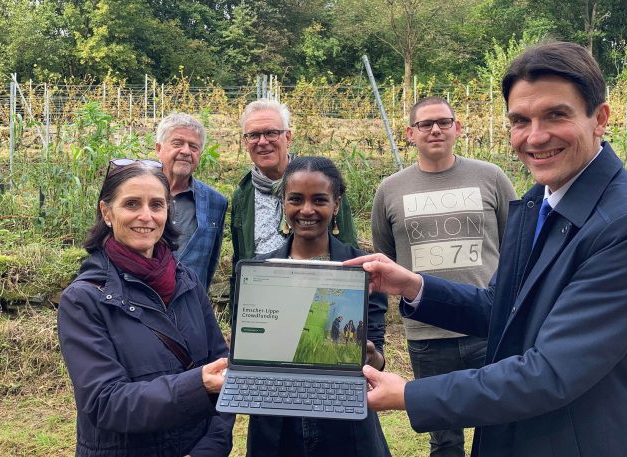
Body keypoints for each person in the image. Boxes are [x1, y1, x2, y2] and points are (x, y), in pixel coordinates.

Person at [346, 41, 627, 457]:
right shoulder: (540, 202)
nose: (535, 136)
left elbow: (551, 372)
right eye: (520, 120)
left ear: (600, 119)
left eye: (556, 115)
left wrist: (411, 395)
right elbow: (506, 309)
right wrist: (415, 286)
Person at [58, 158, 234, 457]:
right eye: (131, 204)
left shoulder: (187, 281)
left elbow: (224, 371)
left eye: (156, 205)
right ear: (107, 212)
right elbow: (106, 402)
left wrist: (210, 448)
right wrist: (198, 384)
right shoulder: (84, 300)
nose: (146, 216)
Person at [371, 96, 517, 456]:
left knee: (497, 425)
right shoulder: (390, 189)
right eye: (425, 124)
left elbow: (515, 243)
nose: (435, 129)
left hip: (486, 325)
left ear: (458, 128)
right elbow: (387, 256)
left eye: (443, 122)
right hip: (427, 333)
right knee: (443, 434)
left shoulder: (491, 177)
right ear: (410, 133)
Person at [246, 156, 391, 457]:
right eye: (296, 199)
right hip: (276, 417)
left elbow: (378, 362)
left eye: (319, 200)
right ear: (283, 202)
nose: (307, 210)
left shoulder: (364, 271)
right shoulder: (260, 270)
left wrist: (371, 354)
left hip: (343, 417)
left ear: (336, 204)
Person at [230, 99, 358, 304]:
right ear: (246, 142)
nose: (262, 142)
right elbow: (240, 259)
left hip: (320, 294)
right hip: (264, 298)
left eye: (271, 132)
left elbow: (348, 246)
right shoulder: (243, 195)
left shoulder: (321, 182)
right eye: (253, 135)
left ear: (287, 137)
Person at [155, 113, 228, 290]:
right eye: (178, 143)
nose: (186, 151)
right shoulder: (134, 191)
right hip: (139, 305)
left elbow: (209, 265)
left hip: (189, 306)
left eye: (193, 146)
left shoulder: (215, 202)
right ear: (159, 149)